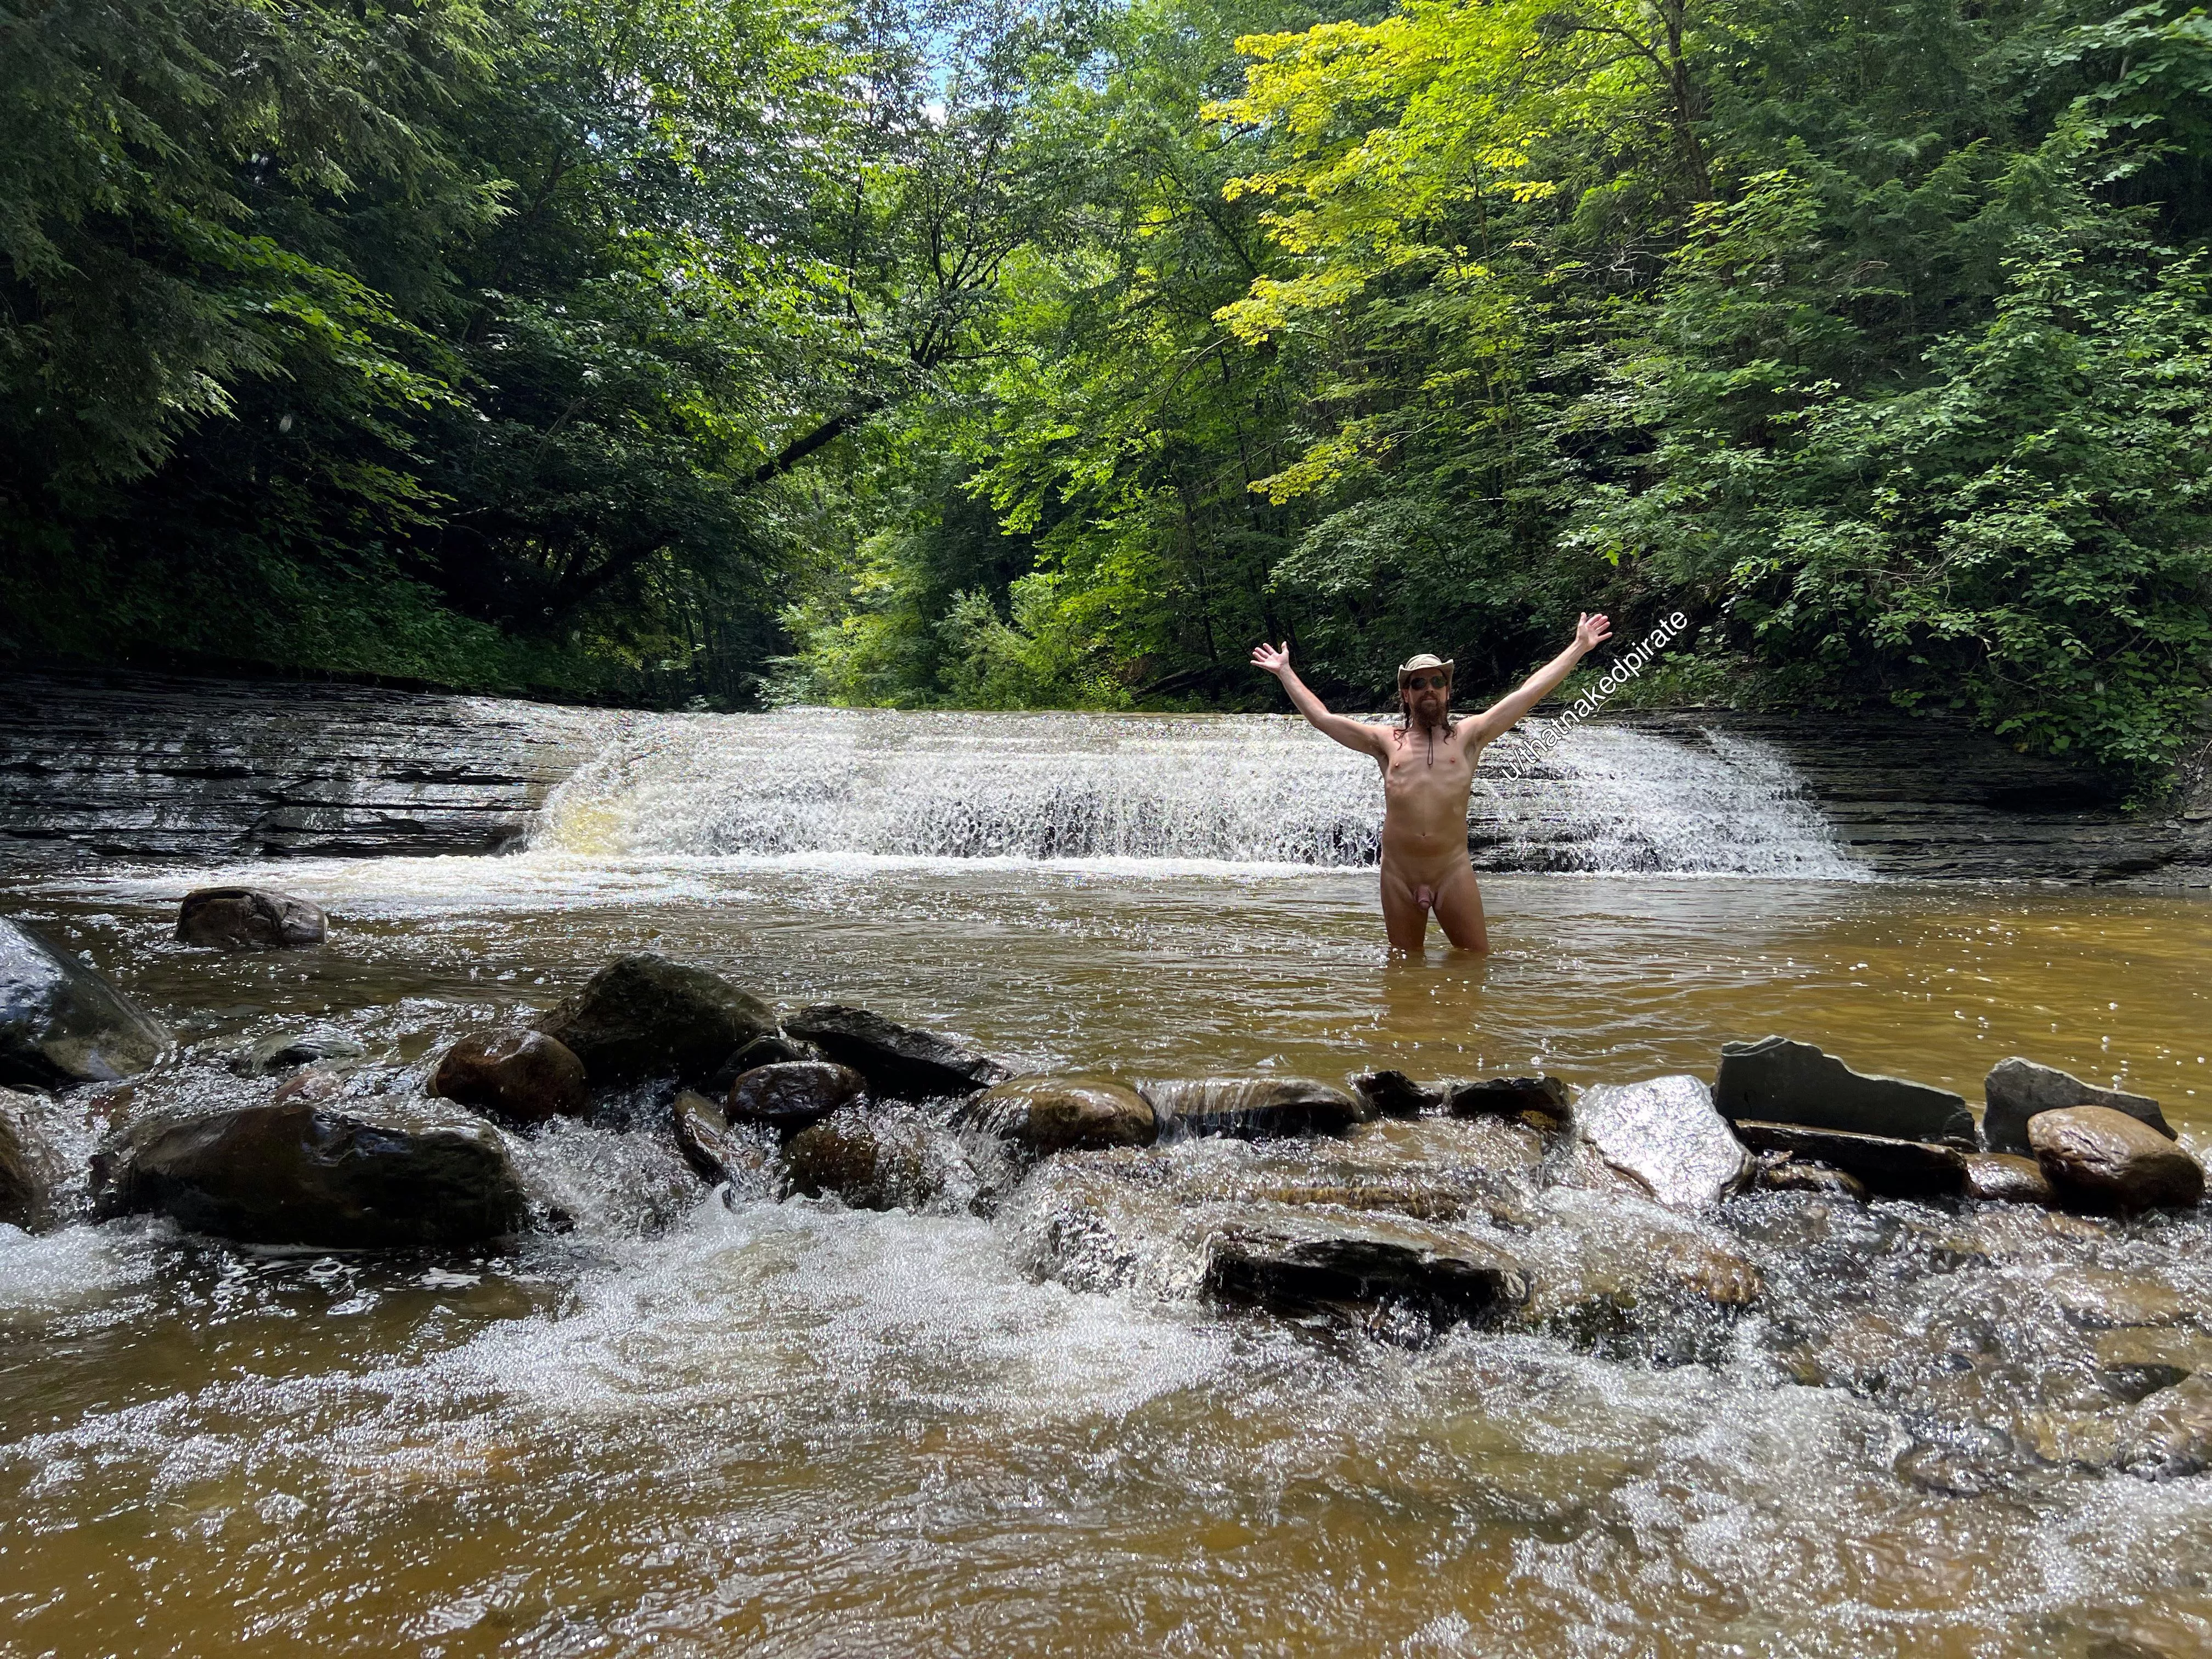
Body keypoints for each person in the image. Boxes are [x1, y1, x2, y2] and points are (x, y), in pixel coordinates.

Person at [1252, 616, 1613, 951]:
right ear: (1406, 694)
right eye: (1419, 683)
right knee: (1404, 970)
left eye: (1437, 681)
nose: (1429, 689)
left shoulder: (1471, 736)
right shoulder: (1384, 742)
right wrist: (1285, 672)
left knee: (1476, 961)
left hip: (1451, 870)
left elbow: (1528, 694)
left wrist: (1579, 647)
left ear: (1448, 691)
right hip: (1398, 875)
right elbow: (1323, 718)